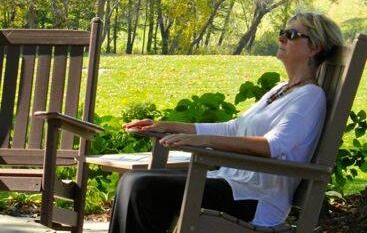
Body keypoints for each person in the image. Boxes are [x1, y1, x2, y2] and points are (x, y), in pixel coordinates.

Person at [108, 12, 343, 233]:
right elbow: (233, 127)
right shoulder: (281, 90)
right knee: (130, 181)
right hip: (231, 184)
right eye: (283, 32)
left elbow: (273, 146)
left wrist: (203, 142)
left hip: (256, 199)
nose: (281, 37)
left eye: (291, 35)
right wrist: (166, 125)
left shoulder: (310, 96)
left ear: (315, 47)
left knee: (143, 189)